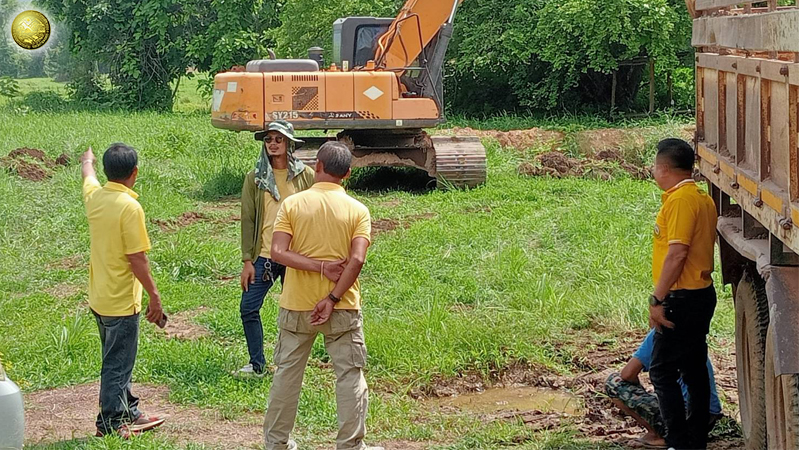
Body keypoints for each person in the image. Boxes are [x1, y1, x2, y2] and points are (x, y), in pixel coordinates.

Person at [264, 141, 382, 450]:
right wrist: (332, 298)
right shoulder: (358, 210)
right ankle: (350, 445)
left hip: (296, 304)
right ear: (347, 174)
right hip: (343, 306)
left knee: (287, 375)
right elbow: (356, 260)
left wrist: (319, 267)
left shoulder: (293, 204)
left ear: (317, 166)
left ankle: (276, 444)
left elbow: (278, 252)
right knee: (350, 376)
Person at [80, 144, 166, 439]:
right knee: (117, 364)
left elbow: (87, 176)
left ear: (107, 171)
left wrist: (86, 160)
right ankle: (110, 424)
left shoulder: (95, 197)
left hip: (99, 297)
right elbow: (137, 258)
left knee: (118, 357)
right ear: (135, 173)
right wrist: (154, 296)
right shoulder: (130, 207)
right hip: (120, 302)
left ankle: (129, 410)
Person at [646, 138, 718, 450]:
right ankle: (695, 439)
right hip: (699, 295)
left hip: (681, 299)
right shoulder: (701, 198)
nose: (652, 171)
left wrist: (657, 299)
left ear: (663, 168)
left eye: (654, 166)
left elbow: (677, 254)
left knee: (662, 371)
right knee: (693, 369)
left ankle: (678, 441)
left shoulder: (680, 201)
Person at [235, 120, 315, 377]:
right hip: (265, 256)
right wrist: (248, 260)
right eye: (269, 139)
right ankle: (257, 364)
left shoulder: (306, 176)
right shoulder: (255, 179)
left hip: (295, 256)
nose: (273, 144)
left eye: (278, 139)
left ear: (289, 142)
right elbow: (248, 219)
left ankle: (292, 364)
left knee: (297, 311)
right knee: (248, 307)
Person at [605, 328, 723, 448]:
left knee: (614, 383)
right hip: (706, 418)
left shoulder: (660, 333)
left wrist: (638, 391)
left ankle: (660, 436)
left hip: (683, 418)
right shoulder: (692, 331)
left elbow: (627, 374)